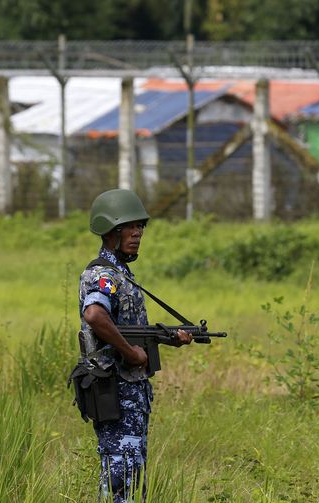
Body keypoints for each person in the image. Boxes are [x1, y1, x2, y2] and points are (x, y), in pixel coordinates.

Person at [77, 188, 191, 502]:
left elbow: (128, 329)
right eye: (130, 226)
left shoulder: (121, 274)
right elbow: (95, 315)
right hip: (114, 390)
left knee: (130, 477)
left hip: (129, 391)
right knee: (121, 481)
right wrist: (131, 353)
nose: (137, 232)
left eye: (140, 226)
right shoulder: (103, 275)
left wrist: (169, 338)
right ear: (111, 232)